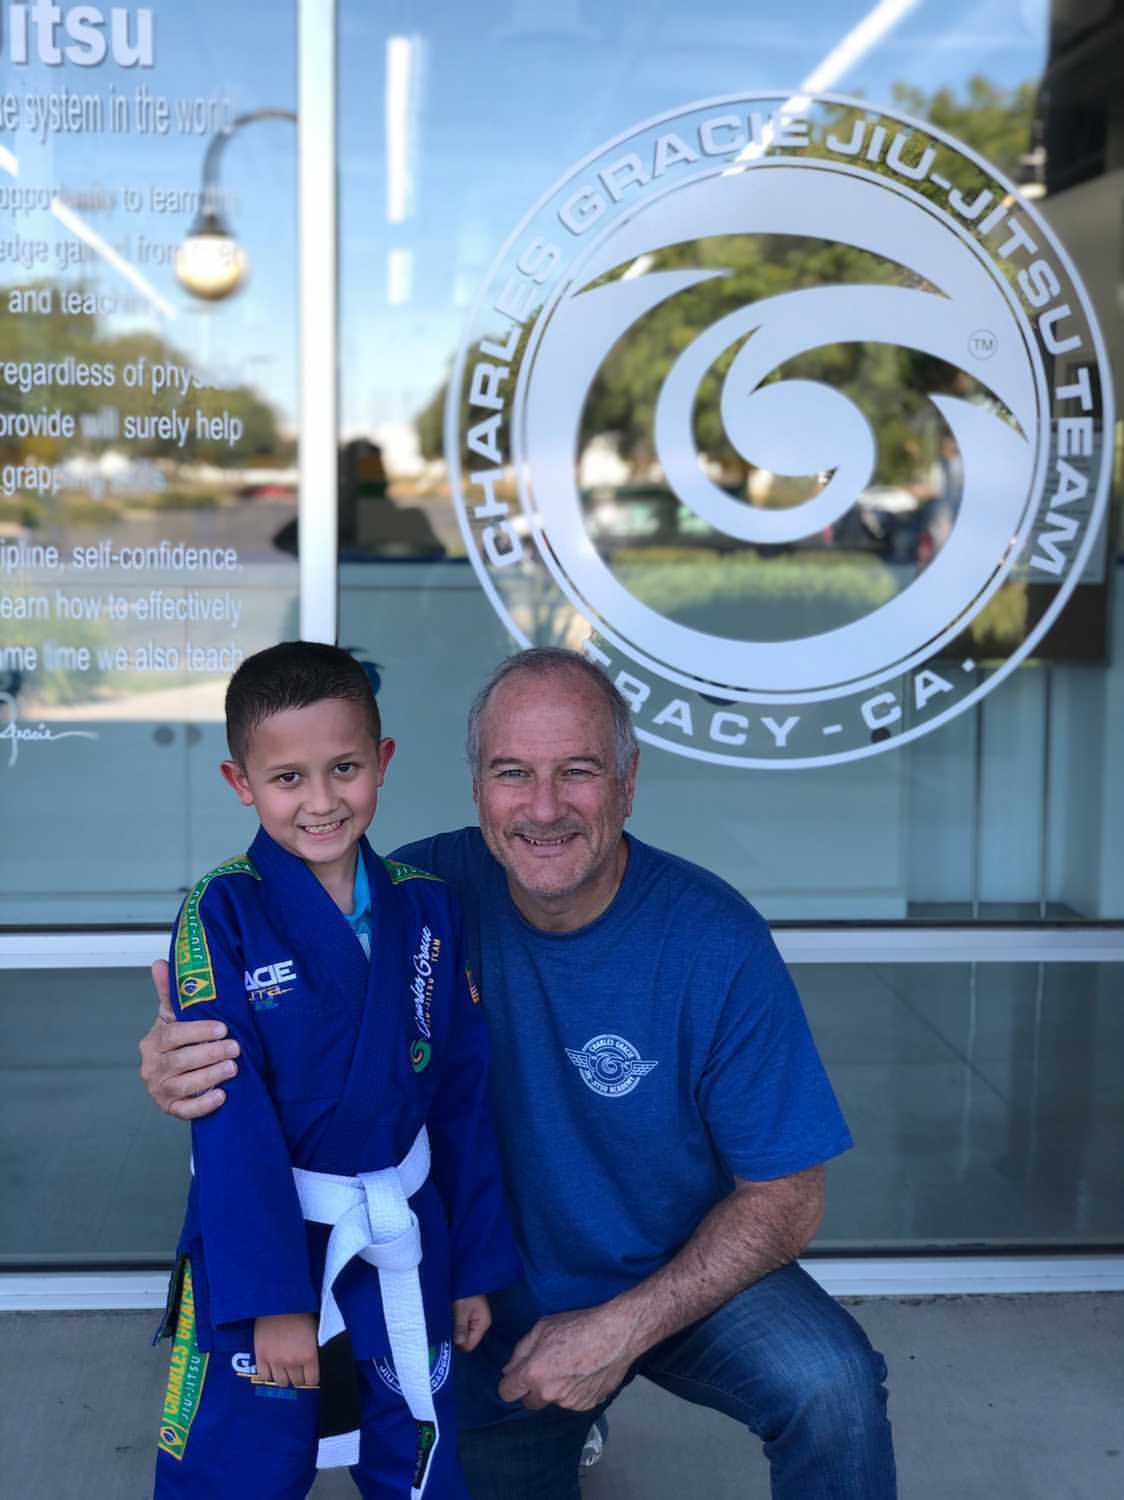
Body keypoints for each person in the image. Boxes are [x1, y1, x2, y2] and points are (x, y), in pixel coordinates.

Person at [142, 646, 897, 1500]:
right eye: (512, 773)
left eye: (578, 771)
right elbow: (272, 1016)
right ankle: (561, 1420)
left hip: (673, 1274)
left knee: (832, 1387)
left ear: (627, 782)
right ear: (476, 788)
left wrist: (619, 1330)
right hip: (494, 1311)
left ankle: (598, 1383)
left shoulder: (713, 940)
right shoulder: (415, 898)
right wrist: (177, 1059)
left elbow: (789, 1197)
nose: (543, 808)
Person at [151, 641, 519, 1500]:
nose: (321, 802)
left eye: (344, 768)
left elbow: (461, 1097)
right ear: (241, 782)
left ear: (381, 762)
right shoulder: (222, 910)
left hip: (403, 1231)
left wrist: (472, 1266)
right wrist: (274, 1300)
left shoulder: (427, 905)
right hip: (268, 1244)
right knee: (237, 1465)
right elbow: (228, 1120)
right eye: (288, 778)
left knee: (418, 1452)